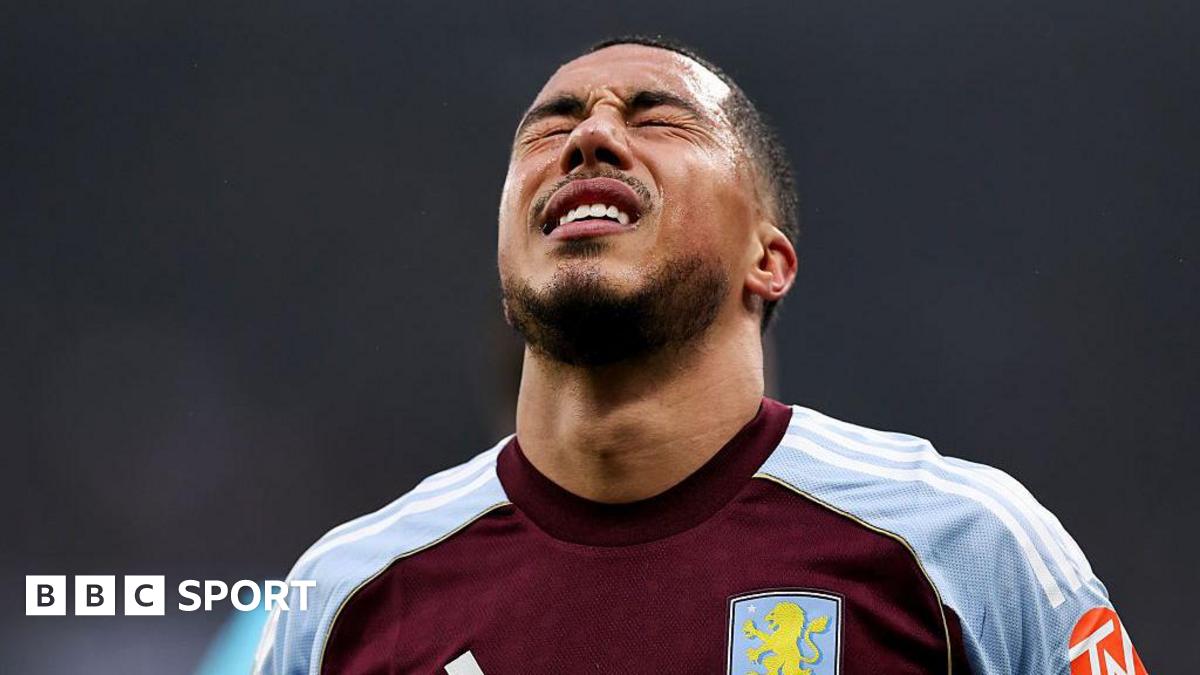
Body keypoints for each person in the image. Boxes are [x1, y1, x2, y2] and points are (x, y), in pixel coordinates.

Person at [253, 36, 1145, 674]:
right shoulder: (343, 596)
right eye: (550, 127)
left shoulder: (965, 544)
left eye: (659, 118)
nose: (590, 137)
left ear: (770, 259)